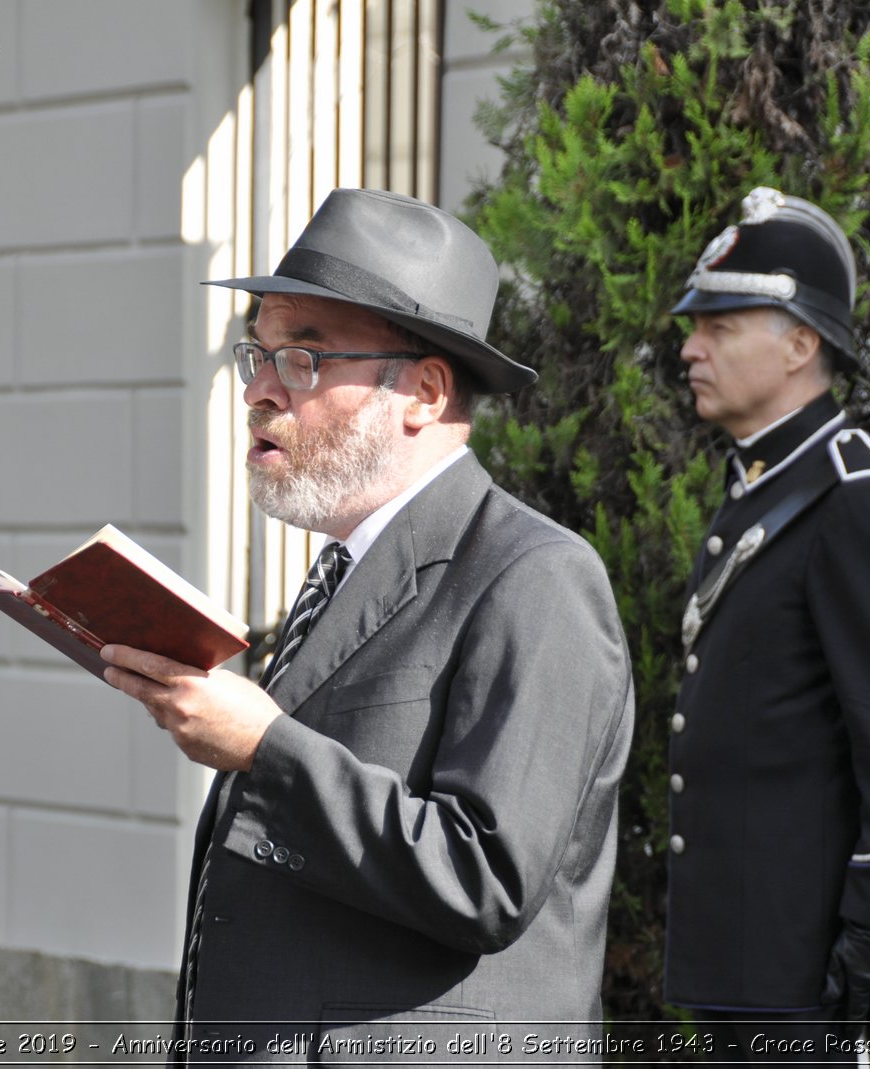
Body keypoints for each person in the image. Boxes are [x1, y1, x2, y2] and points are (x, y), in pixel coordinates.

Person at [100, 188, 634, 1063]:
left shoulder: (538, 577)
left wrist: (264, 747)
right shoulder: (342, 570)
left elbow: (485, 878)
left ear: (422, 391)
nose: (261, 391)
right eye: (258, 353)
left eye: (304, 358)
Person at [662, 188, 870, 1062]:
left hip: (820, 982)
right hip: (755, 965)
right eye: (695, 326)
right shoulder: (766, 486)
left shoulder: (853, 499)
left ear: (800, 344)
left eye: (719, 327)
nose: (690, 347)